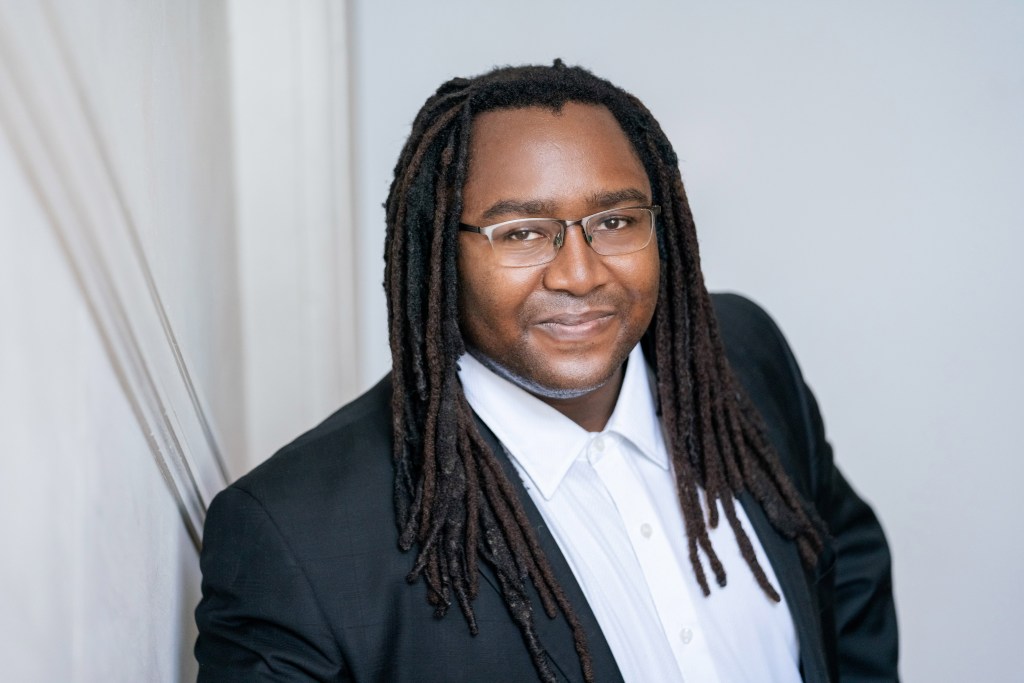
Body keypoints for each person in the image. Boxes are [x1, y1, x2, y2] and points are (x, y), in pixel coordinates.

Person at [195, 61, 898, 682]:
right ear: (440, 253)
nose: (579, 274)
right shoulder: (297, 536)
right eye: (523, 233)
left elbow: (846, 560)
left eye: (615, 221)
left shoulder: (739, 356)